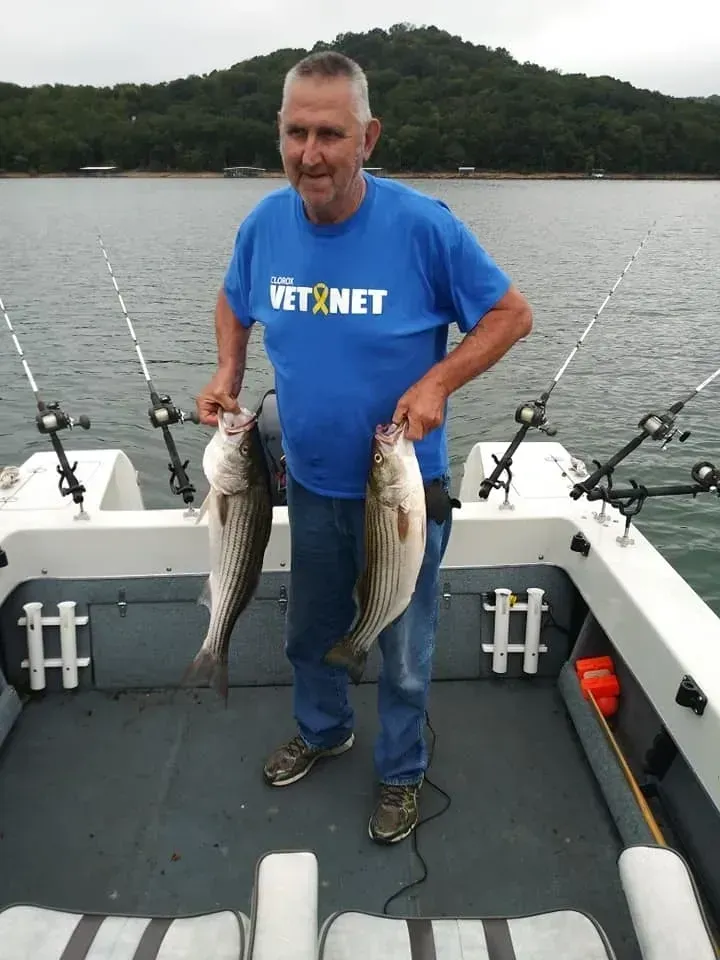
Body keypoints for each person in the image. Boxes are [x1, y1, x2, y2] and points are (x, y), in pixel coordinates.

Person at [196, 50, 532, 845]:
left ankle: (402, 773)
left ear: (368, 138)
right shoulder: (263, 224)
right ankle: (323, 730)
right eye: (296, 133)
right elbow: (233, 300)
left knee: (406, 656)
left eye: (330, 134)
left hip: (404, 490)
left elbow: (510, 316)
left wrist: (439, 383)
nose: (310, 154)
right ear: (279, 133)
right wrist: (228, 367)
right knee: (308, 633)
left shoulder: (424, 226)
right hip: (308, 484)